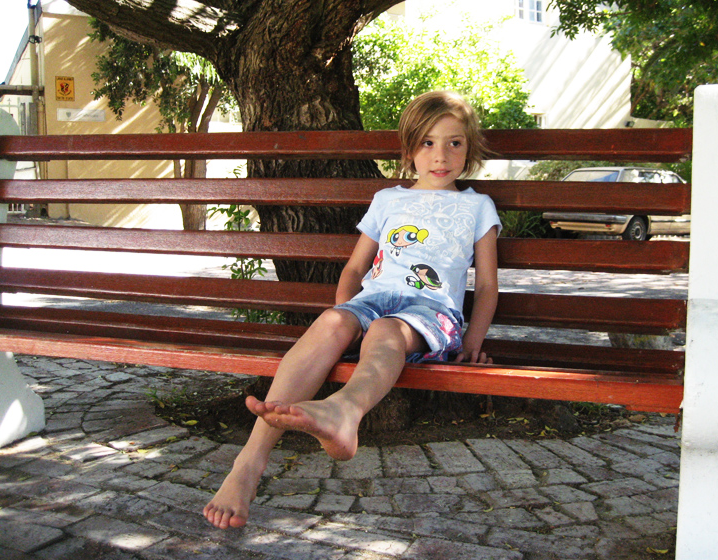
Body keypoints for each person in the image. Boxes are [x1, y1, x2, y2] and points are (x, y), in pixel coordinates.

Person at [203, 90, 502, 529]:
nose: (441, 155)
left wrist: (473, 342)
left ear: (468, 149)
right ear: (408, 151)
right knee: (331, 321)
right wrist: (345, 317)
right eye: (428, 143)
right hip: (372, 300)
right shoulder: (387, 200)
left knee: (386, 331)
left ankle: (345, 411)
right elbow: (356, 268)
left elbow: (489, 285)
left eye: (454, 143)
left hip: (429, 312)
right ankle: (248, 463)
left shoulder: (477, 206)